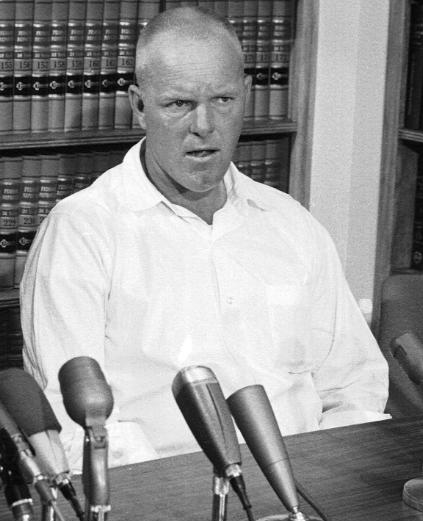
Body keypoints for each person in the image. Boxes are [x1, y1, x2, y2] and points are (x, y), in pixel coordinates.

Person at [20, 7, 390, 468]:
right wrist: (185, 497)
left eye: (223, 100)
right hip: (161, 498)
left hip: (307, 484)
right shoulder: (81, 231)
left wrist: (327, 479)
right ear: (139, 106)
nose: (204, 125)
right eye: (179, 104)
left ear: (247, 96)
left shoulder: (290, 223)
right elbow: (74, 423)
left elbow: (355, 386)